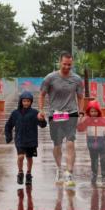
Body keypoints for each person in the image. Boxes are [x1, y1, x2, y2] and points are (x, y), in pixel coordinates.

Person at [39, 52, 84, 188]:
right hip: (55, 114)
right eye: (64, 64)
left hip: (71, 113)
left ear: (72, 63)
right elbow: (41, 95)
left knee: (70, 142)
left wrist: (81, 112)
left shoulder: (77, 79)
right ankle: (59, 169)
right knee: (57, 144)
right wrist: (41, 110)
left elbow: (81, 97)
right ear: (59, 62)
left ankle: (69, 172)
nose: (66, 67)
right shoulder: (50, 78)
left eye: (69, 65)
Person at [4, 91, 47, 190]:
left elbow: (43, 125)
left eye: (28, 101)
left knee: (29, 158)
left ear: (31, 102)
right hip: (19, 139)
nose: (26, 103)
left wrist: (42, 119)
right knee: (20, 157)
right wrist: (8, 136)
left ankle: (28, 174)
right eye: (24, 101)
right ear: (21, 101)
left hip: (31, 140)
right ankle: (20, 172)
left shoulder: (35, 113)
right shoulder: (15, 113)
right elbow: (8, 125)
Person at [77, 100, 105, 186]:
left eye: (95, 111)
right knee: (94, 160)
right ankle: (94, 174)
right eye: (91, 111)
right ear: (89, 112)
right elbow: (80, 129)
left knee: (103, 160)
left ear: (98, 111)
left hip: (102, 144)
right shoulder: (87, 120)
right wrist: (80, 121)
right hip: (91, 145)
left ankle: (104, 176)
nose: (93, 113)